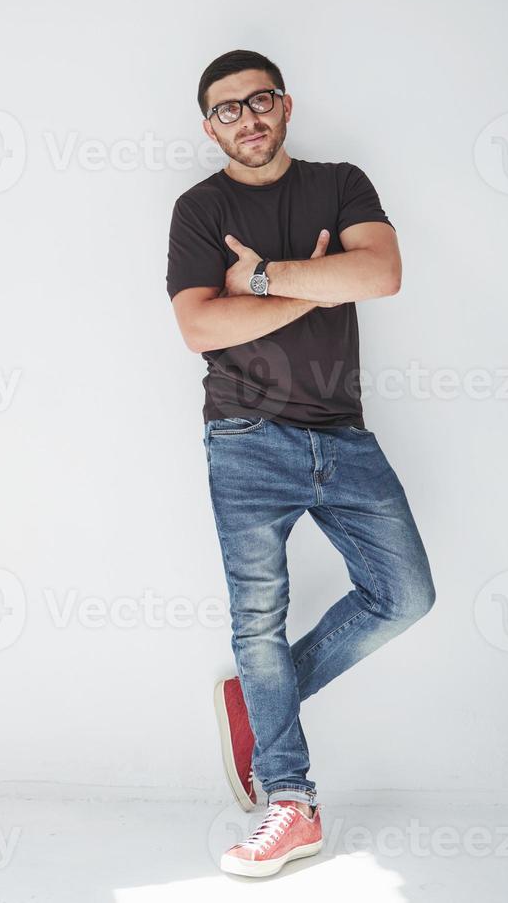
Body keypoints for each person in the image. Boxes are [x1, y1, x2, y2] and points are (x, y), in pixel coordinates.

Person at [167, 49, 437, 878]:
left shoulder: (340, 183)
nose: (245, 118)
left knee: (405, 596)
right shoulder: (198, 208)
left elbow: (381, 273)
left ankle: (258, 700)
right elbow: (199, 330)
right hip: (245, 438)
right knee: (257, 622)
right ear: (206, 125)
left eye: (259, 101)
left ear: (285, 105)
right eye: (225, 109)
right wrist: (314, 284)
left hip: (342, 435)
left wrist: (256, 277)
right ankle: (291, 803)